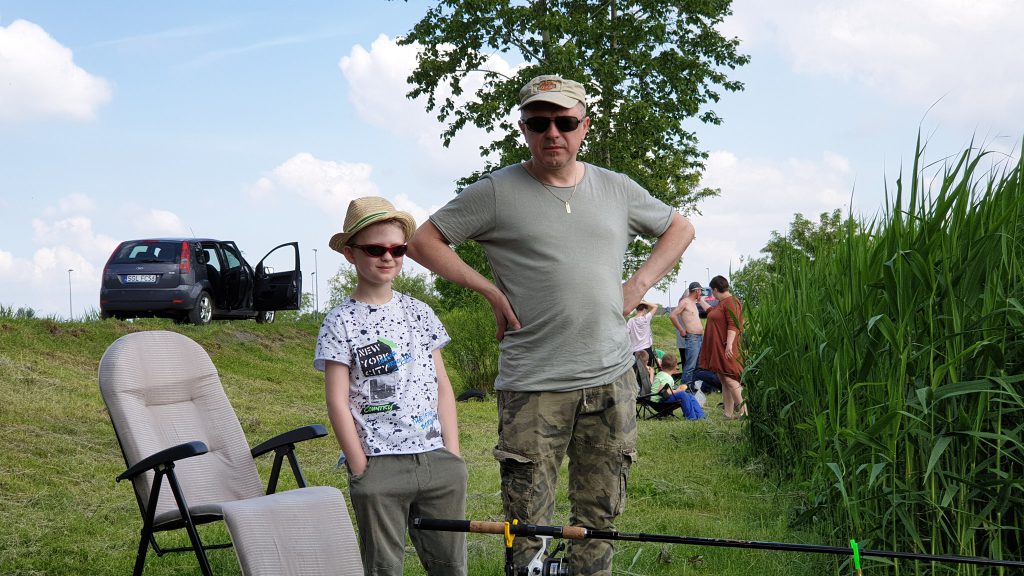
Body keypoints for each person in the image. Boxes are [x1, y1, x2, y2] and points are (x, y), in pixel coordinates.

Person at [406, 74, 695, 575]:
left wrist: (638, 285)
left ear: (585, 126)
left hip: (610, 379)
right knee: (526, 524)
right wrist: (490, 291)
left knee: (600, 517)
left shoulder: (617, 188)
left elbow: (680, 227)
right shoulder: (495, 192)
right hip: (533, 384)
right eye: (539, 123)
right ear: (524, 129)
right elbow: (422, 241)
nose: (553, 133)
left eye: (564, 122)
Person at [314, 197, 467, 575]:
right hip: (378, 464)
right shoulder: (340, 322)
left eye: (398, 250)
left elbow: (442, 385)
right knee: (384, 567)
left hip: (437, 460)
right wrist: (360, 467)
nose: (388, 257)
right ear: (350, 253)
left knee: (451, 566)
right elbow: (337, 400)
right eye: (375, 249)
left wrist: (453, 454)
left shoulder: (420, 312)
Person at [698, 275, 747, 419]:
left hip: (727, 347)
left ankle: (744, 413)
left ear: (715, 289)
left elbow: (733, 324)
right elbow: (712, 313)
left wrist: (729, 345)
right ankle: (728, 413)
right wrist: (700, 300)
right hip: (720, 347)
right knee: (724, 380)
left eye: (712, 291)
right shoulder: (722, 303)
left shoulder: (731, 302)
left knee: (731, 379)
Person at [669, 281, 709, 384]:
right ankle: (685, 387)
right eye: (700, 291)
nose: (701, 293)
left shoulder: (694, 303)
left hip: (699, 337)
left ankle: (694, 385)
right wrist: (681, 330)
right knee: (690, 365)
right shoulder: (685, 302)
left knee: (698, 364)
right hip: (692, 337)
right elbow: (672, 315)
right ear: (696, 291)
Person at [626, 300, 659, 368]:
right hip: (647, 350)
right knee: (648, 371)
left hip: (635, 352)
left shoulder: (631, 321)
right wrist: (643, 302)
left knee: (636, 372)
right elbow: (655, 306)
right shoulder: (646, 318)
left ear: (636, 309)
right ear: (644, 309)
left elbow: (626, 333)